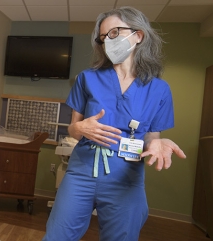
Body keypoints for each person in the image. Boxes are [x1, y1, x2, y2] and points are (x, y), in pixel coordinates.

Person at [43, 6, 186, 241]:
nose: (107, 41)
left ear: (138, 36)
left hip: (126, 178)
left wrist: (158, 144)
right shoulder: (87, 78)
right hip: (81, 173)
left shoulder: (159, 89)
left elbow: (152, 137)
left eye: (114, 33)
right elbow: (73, 128)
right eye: (102, 38)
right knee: (57, 236)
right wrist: (78, 128)